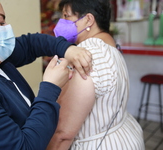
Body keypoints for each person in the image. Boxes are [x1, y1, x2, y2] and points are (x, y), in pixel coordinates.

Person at [0, 0, 92, 150]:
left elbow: (31, 43)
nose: (8, 29)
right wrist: (50, 89)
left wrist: (66, 49)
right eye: (0, 22)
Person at [47, 0, 145, 149]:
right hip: (124, 135)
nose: (61, 22)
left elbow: (63, 133)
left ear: (88, 19)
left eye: (66, 16)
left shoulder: (86, 55)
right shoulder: (110, 46)